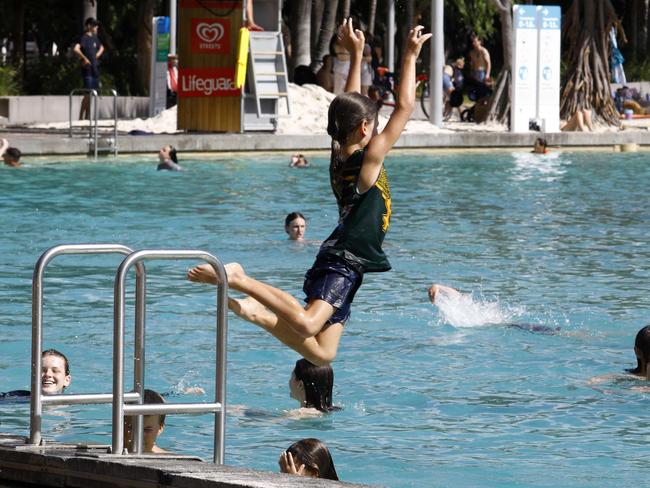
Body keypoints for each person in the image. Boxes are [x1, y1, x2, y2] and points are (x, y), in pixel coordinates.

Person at [187, 20, 431, 366]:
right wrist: (409, 56)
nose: (378, 132)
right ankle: (238, 278)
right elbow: (404, 107)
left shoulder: (340, 155)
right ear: (364, 129)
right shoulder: (368, 162)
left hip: (349, 261)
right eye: (374, 126)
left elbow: (347, 104)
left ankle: (258, 314)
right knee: (305, 324)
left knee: (323, 354)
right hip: (343, 261)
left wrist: (357, 53)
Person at [428, 283, 560, 334]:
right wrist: (438, 287)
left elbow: (455, 294)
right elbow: (455, 294)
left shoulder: (464, 305)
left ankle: (563, 333)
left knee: (543, 331)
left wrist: (437, 286)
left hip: (501, 326)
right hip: (500, 325)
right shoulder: (464, 306)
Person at [1, 349, 71, 399]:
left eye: (55, 371)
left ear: (67, 380)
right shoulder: (14, 398)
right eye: (42, 370)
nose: (48, 374)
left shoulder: (77, 401)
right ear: (33, 376)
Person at [73, 17, 104, 120]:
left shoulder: (95, 38)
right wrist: (84, 58)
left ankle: (87, 117)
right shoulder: (84, 38)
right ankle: (81, 117)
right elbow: (76, 49)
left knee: (91, 94)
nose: (96, 27)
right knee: (87, 93)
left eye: (96, 25)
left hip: (95, 69)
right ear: (89, 26)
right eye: (94, 25)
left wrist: (96, 55)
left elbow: (102, 47)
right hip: (87, 69)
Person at [123, 389, 168, 454]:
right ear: (120, 426)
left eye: (147, 429)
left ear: (160, 428)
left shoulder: (170, 459)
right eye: (132, 428)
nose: (139, 435)